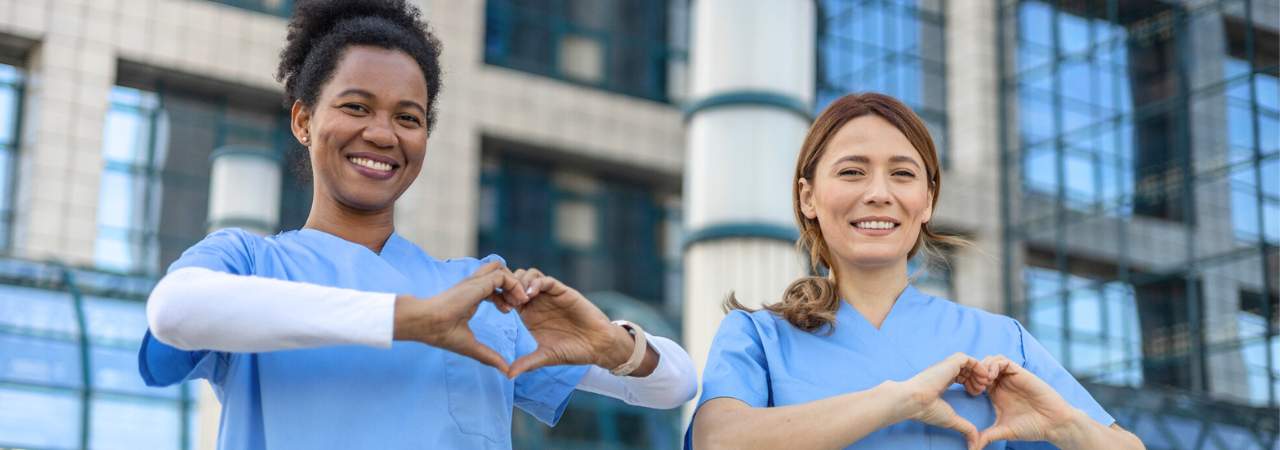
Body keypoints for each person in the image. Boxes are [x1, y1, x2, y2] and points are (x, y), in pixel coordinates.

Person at [138, 1, 696, 448]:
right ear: (304, 120)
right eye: (356, 107)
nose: (383, 134)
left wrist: (612, 345)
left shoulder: (478, 290)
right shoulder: (249, 262)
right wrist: (409, 320)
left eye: (408, 118)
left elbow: (675, 384)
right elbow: (173, 311)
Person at [686, 93, 1144, 450]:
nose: (879, 193)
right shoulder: (757, 337)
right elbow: (718, 440)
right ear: (808, 197)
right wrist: (899, 400)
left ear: (926, 201)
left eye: (903, 174)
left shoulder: (1002, 341)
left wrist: (1063, 425)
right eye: (851, 172)